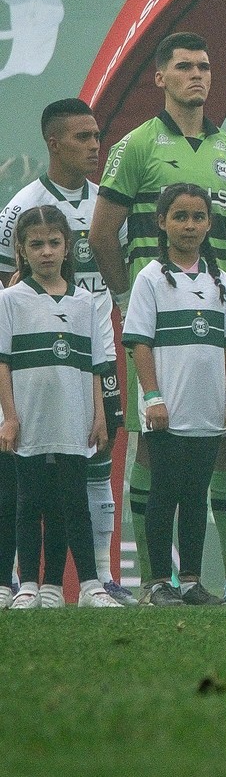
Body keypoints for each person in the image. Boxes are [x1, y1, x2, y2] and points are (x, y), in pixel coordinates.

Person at [90, 31, 226, 591]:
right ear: (160, 77)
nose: (196, 76)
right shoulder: (135, 146)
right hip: (158, 318)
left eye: (204, 66)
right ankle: (155, 579)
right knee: (155, 447)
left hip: (218, 310)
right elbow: (101, 231)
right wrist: (125, 294)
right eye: (184, 67)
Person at [1, 99, 129, 604]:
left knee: (95, 462)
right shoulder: (20, 208)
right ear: (53, 143)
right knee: (27, 480)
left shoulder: (108, 204)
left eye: (97, 136)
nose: (95, 146)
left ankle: (100, 579)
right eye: (83, 137)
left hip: (91, 352)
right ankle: (27, 581)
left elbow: (119, 279)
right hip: (34, 364)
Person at [124, 183, 226, 606]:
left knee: (196, 496)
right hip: (166, 411)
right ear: (162, 222)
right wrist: (152, 396)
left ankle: (191, 580)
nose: (190, 225)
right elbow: (139, 343)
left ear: (210, 224)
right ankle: (157, 582)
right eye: (180, 217)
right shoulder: (151, 278)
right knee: (165, 492)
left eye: (198, 217)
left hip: (207, 411)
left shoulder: (219, 280)